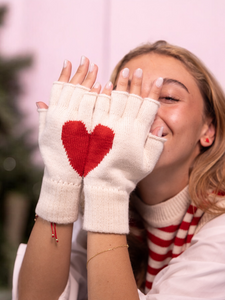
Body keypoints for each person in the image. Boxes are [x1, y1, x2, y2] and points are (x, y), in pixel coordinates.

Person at [13, 40, 225, 300]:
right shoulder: (116, 207)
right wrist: (62, 176)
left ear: (208, 129)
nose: (145, 111)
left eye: (168, 97)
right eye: (130, 98)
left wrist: (109, 186)